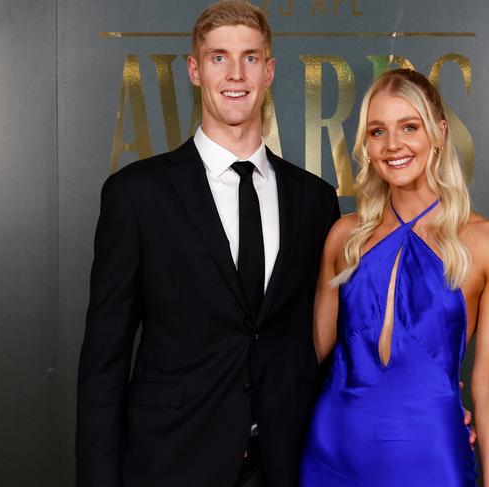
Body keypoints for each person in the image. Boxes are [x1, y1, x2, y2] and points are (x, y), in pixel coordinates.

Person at [76, 1, 340, 486]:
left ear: (269, 70)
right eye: (219, 57)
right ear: (196, 71)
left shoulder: (315, 200)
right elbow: (104, 360)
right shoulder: (138, 195)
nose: (235, 73)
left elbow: (331, 340)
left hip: (288, 463)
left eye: (251, 57)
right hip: (172, 461)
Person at [300, 69, 489, 486]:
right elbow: (305, 358)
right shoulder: (345, 236)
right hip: (332, 454)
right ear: (366, 145)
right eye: (377, 131)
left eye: (409, 127)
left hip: (431, 455)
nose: (393, 145)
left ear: (439, 133)